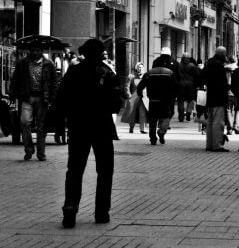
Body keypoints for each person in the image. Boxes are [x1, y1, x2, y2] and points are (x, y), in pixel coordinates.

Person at [58, 39, 122, 228]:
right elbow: (116, 104)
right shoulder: (108, 74)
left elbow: (61, 99)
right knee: (104, 170)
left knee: (75, 169)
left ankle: (70, 206)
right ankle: (101, 211)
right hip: (101, 126)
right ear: (102, 53)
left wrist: (70, 116)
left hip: (79, 126)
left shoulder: (74, 72)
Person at [9, 45, 58, 161]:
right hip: (27, 97)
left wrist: (53, 97)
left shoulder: (48, 64)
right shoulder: (22, 63)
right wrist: (12, 94)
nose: (35, 52)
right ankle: (29, 149)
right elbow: (15, 79)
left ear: (42, 51)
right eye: (33, 50)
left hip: (42, 98)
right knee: (24, 122)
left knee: (41, 127)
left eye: (37, 50)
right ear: (29, 51)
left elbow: (54, 81)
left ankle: (41, 153)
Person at [137, 55, 178, 146]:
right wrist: (173, 97)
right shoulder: (170, 73)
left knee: (152, 120)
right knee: (165, 117)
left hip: (153, 100)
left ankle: (152, 138)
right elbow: (175, 87)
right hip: (166, 100)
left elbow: (140, 86)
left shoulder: (149, 73)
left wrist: (140, 94)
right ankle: (162, 131)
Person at [204, 46, 230, 152]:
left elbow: (203, 77)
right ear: (222, 54)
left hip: (210, 97)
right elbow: (222, 84)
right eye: (225, 54)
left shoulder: (209, 63)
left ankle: (209, 144)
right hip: (219, 98)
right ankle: (217, 145)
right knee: (218, 123)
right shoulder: (219, 66)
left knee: (210, 122)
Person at [122, 62, 147, 134]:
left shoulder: (146, 76)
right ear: (136, 68)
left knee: (142, 113)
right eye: (139, 67)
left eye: (142, 67)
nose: (140, 68)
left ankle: (142, 129)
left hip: (143, 97)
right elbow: (127, 87)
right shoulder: (131, 76)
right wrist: (129, 95)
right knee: (132, 113)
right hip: (134, 97)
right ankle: (131, 128)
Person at [176, 53, 200, 122]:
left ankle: (181, 115)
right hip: (190, 85)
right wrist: (196, 84)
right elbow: (197, 75)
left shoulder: (179, 65)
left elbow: (176, 75)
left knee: (180, 100)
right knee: (191, 99)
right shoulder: (192, 65)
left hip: (180, 84)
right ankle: (188, 113)